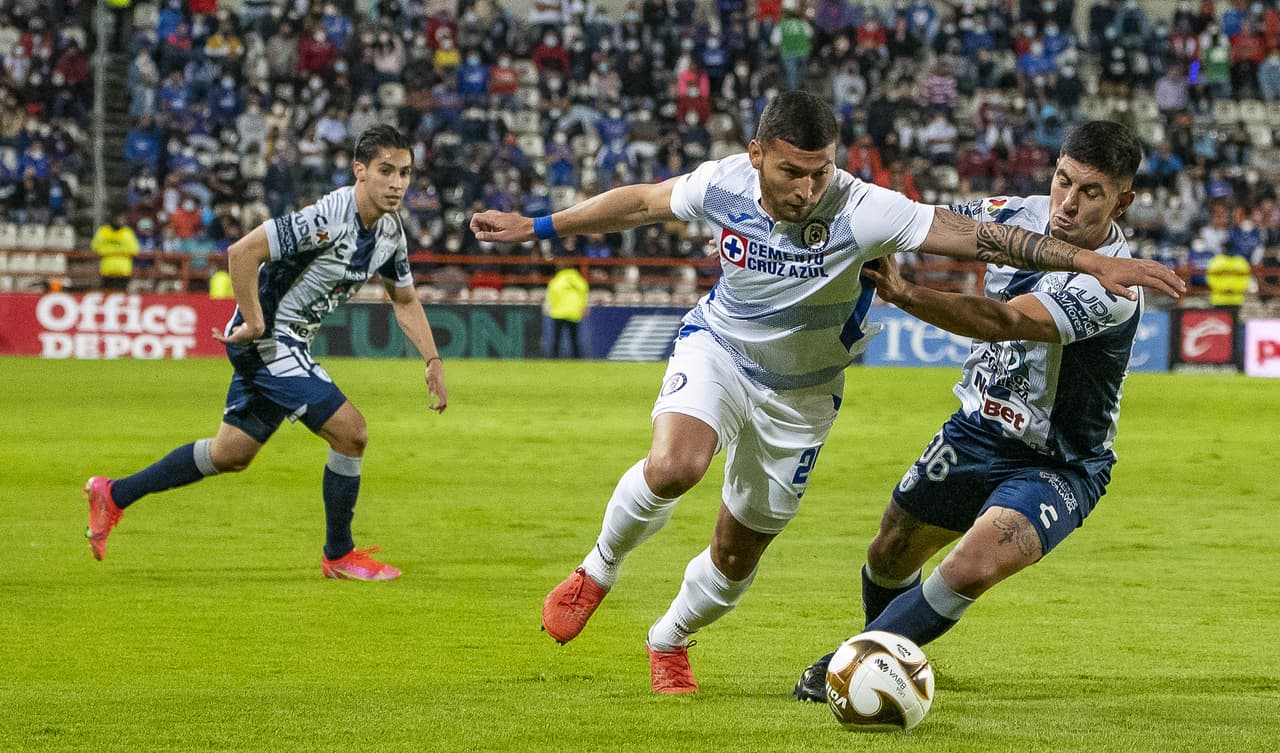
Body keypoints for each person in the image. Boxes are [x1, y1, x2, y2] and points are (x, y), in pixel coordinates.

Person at [469, 93, 1182, 695]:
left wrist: (1093, 261)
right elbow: (644, 203)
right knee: (679, 466)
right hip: (724, 349)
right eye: (791, 172)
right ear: (756, 156)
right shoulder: (720, 182)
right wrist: (534, 226)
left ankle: (672, 635)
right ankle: (597, 570)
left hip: (833, 406)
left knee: (738, 552)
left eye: (820, 172)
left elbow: (985, 277)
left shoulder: (866, 208)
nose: (807, 189)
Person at [792, 120, 1148, 701]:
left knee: (972, 563)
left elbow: (1003, 319)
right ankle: (885, 658)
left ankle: (851, 663)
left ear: (1122, 201)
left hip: (1058, 464)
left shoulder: (1115, 286)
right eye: (1064, 181)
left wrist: (908, 295)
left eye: (1091, 193)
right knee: (889, 552)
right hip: (976, 431)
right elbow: (926, 222)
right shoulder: (1010, 214)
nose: (1069, 202)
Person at [83, 125, 448, 580]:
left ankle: (114, 494)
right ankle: (339, 555)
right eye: (386, 171)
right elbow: (242, 252)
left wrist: (432, 360)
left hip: (286, 340)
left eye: (405, 173)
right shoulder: (328, 217)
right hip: (268, 339)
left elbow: (406, 299)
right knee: (351, 432)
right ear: (360, 171)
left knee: (230, 453)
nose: (397, 183)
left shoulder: (391, 233)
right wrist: (255, 321)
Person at [545, 261, 589, 358]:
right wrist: (584, 307)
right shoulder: (579, 280)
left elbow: (550, 296)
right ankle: (576, 358)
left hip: (558, 313)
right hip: (574, 313)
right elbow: (585, 293)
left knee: (557, 338)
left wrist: (548, 308)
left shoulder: (556, 281)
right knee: (574, 338)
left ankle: (554, 358)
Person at [91, 213, 140, 291]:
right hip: (107, 270)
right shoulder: (103, 231)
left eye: (122, 219)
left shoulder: (128, 232)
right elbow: (95, 247)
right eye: (118, 219)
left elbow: (134, 250)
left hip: (123, 271)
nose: (120, 221)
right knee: (107, 293)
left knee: (122, 295)